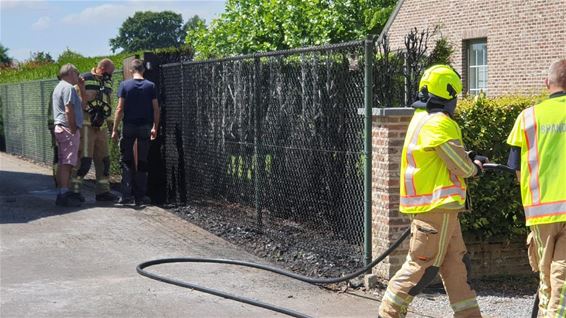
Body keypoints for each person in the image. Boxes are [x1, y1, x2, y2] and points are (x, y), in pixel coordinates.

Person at [378, 65, 487, 318]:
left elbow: (443, 156)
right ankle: (388, 312)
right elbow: (461, 167)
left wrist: (468, 157)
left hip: (437, 209)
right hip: (436, 208)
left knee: (456, 265)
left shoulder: (421, 118)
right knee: (422, 265)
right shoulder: (440, 122)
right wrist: (476, 166)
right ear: (450, 95)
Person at [506, 59, 566, 317]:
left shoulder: (527, 117)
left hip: (539, 212)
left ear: (547, 83)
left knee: (546, 279)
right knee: (561, 277)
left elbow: (516, 167)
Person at [111, 59, 159, 206]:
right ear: (143, 70)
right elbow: (156, 109)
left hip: (129, 126)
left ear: (131, 71)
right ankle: (141, 196)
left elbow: (119, 109)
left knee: (127, 160)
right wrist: (155, 127)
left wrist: (114, 129)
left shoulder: (124, 85)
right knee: (143, 160)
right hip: (145, 126)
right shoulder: (151, 86)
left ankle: (126, 195)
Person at [70, 58, 118, 202]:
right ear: (102, 69)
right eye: (110, 72)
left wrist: (112, 126)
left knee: (104, 160)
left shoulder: (107, 83)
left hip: (101, 128)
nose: (111, 76)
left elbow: (109, 105)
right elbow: (75, 103)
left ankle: (103, 192)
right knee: (84, 160)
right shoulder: (84, 79)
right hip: (86, 126)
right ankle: (74, 191)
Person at [51, 64, 84, 207]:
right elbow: (68, 109)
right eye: (76, 73)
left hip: (61, 128)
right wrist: (73, 128)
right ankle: (63, 194)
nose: (78, 76)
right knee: (67, 163)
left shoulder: (59, 86)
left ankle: (62, 192)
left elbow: (81, 105)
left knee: (64, 161)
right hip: (67, 128)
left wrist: (81, 87)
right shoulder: (68, 88)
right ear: (70, 73)